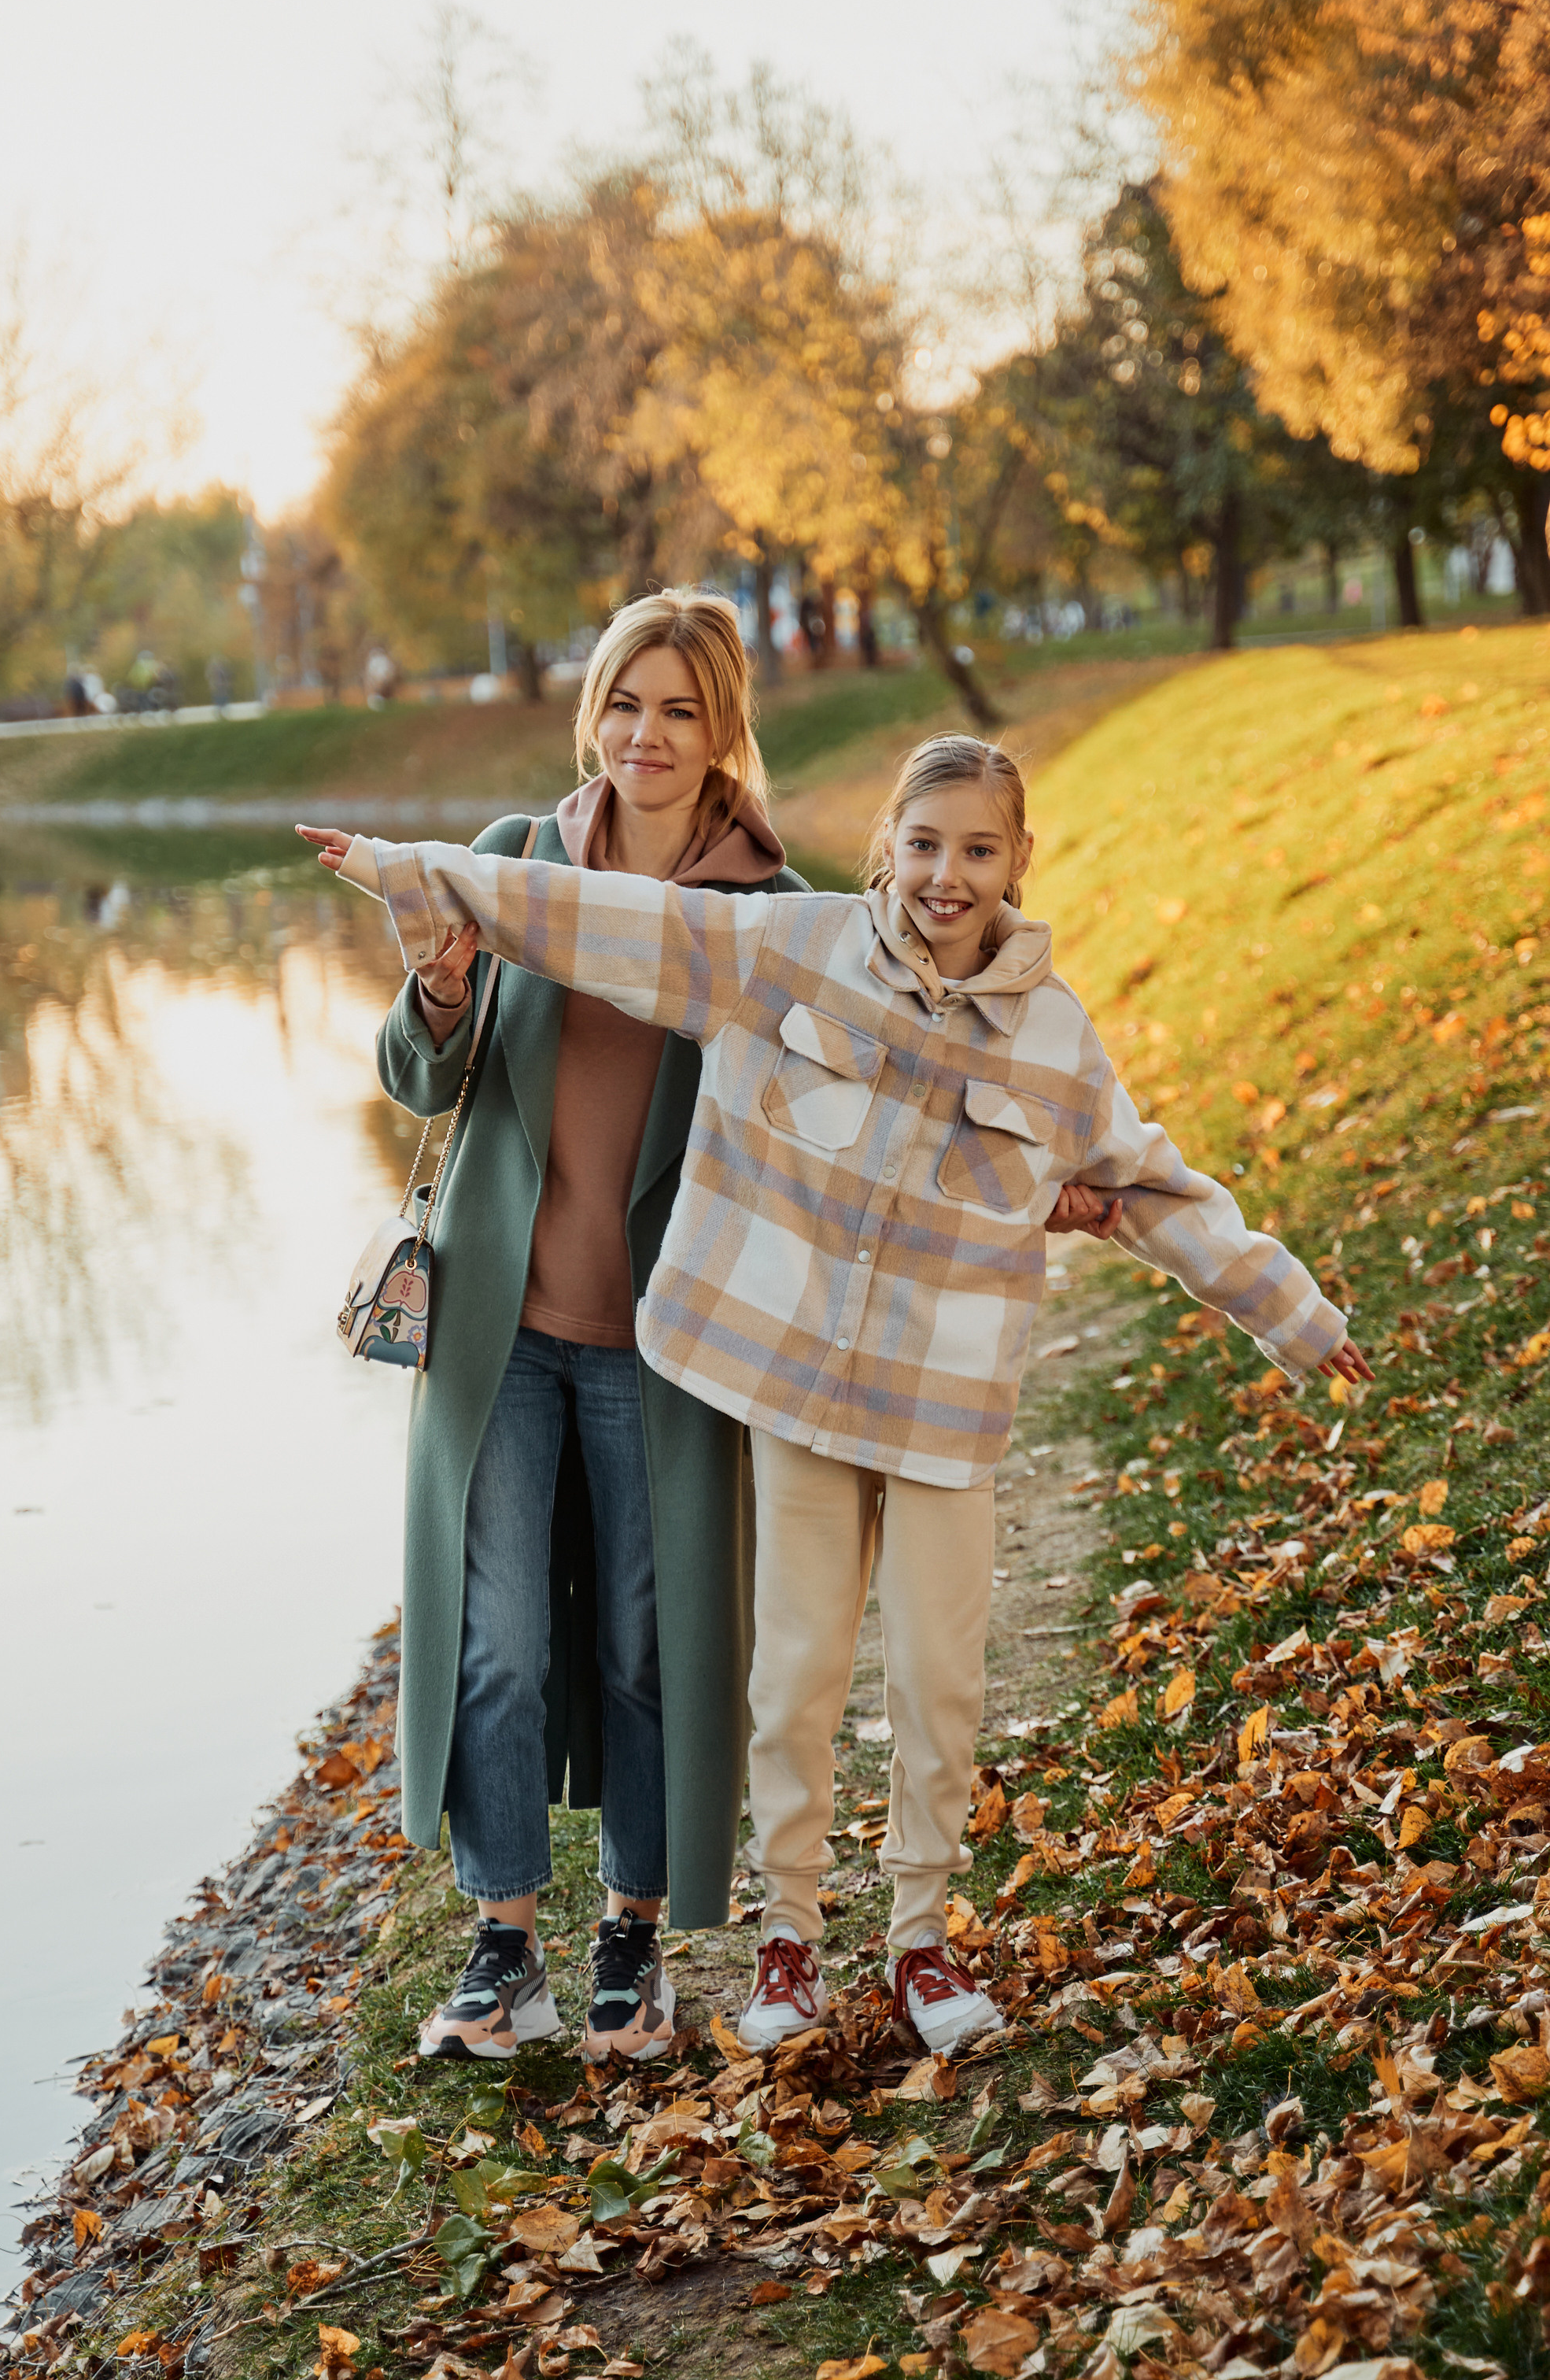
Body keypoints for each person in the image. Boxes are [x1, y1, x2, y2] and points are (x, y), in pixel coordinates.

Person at [301, 730, 1371, 2057]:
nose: (947, 875)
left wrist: (1288, 1309)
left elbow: (1146, 1185)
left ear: (1020, 863)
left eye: (978, 850)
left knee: (939, 1684)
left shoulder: (1052, 1039)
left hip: (939, 1412)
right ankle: (789, 1942)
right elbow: (600, 920)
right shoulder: (788, 949)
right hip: (798, 1393)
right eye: (923, 845)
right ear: (885, 850)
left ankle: (919, 1944)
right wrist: (419, 874)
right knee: (796, 1676)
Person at [301, 590, 807, 2065]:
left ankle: (632, 1935)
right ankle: (504, 1940)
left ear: (722, 735)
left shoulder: (769, 919)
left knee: (653, 1640)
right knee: (498, 1644)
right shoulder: (512, 867)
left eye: (681, 711)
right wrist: (438, 986)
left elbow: (825, 1116)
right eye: (625, 705)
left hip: (667, 1340)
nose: (647, 736)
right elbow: (414, 1076)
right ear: (594, 714)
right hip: (499, 1332)